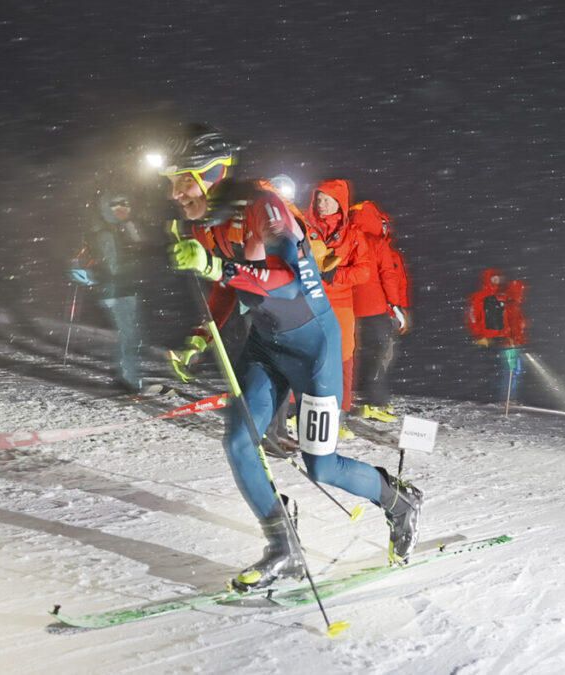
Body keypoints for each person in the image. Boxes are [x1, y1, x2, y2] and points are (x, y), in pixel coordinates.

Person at [161, 124, 423, 590]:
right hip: (265, 345)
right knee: (239, 443)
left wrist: (216, 265)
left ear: (212, 173)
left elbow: (287, 280)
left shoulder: (264, 205)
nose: (175, 194)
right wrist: (200, 336)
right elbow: (228, 286)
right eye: (171, 184)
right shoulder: (208, 222)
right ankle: (284, 550)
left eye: (183, 181)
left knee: (322, 464)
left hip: (313, 347)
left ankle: (399, 502)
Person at [301, 179, 372, 438]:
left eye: (327, 199)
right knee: (304, 354)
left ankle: (339, 416)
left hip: (340, 302)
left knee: (343, 358)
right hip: (309, 299)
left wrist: (336, 275)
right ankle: (297, 411)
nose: (321, 204)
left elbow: (364, 271)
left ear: (339, 203)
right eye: (318, 199)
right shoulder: (304, 228)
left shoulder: (354, 235)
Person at [67, 192, 146, 391]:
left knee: (129, 334)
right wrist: (108, 290)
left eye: (125, 205)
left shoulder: (124, 228)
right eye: (116, 206)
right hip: (118, 291)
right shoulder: (106, 233)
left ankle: (126, 376)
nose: (122, 209)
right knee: (130, 335)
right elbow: (112, 267)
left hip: (128, 288)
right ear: (107, 209)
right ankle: (130, 380)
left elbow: (139, 254)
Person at [350, 200, 407, 423]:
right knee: (379, 355)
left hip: (348, 308)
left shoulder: (346, 238)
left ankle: (350, 400)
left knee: (352, 356)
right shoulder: (377, 243)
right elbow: (388, 276)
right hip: (374, 309)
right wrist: (395, 305)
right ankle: (374, 403)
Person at [501, 279, 527, 403]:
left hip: (514, 343)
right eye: (520, 292)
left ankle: (509, 397)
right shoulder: (510, 307)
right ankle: (506, 398)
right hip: (510, 344)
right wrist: (509, 338)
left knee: (515, 370)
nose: (521, 294)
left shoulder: (515, 307)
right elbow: (505, 324)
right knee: (511, 370)